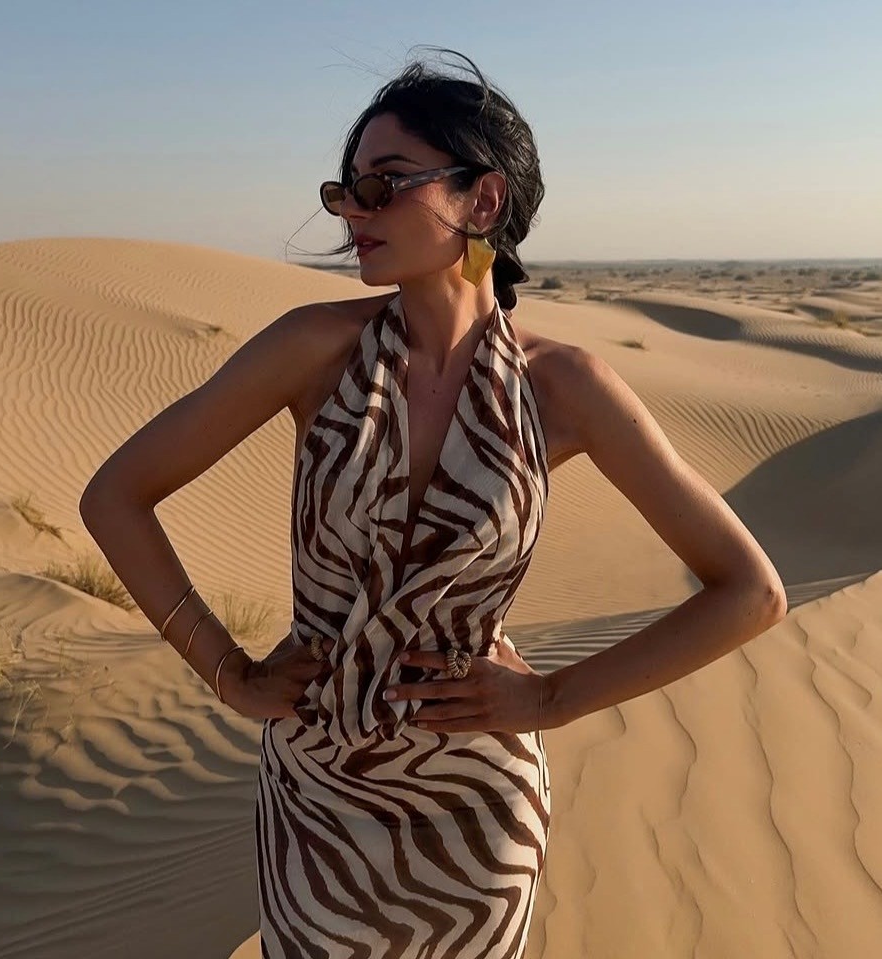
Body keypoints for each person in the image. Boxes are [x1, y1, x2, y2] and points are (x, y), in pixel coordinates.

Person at [80, 47, 787, 959]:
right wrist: (225, 672)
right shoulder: (312, 348)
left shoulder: (565, 387)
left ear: (481, 201)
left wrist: (554, 696)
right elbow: (116, 497)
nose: (351, 215)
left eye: (384, 185)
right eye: (347, 190)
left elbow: (750, 592)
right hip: (315, 793)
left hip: (478, 807)